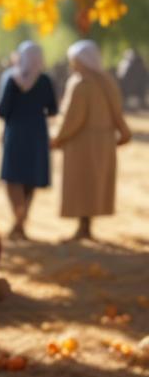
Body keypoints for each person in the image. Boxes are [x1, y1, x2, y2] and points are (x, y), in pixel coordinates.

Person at [51, 41, 132, 241]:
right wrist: (122, 133)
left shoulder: (80, 83)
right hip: (104, 142)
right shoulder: (108, 81)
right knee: (93, 185)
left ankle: (83, 228)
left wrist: (57, 137)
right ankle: (86, 226)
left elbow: (72, 118)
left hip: (82, 143)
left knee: (81, 185)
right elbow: (117, 112)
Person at [0, 42, 59, 240]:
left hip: (15, 133)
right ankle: (21, 222)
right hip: (37, 133)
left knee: (12, 177)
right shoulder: (45, 80)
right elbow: (53, 109)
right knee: (30, 178)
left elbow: (2, 110)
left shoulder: (12, 79)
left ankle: (18, 221)